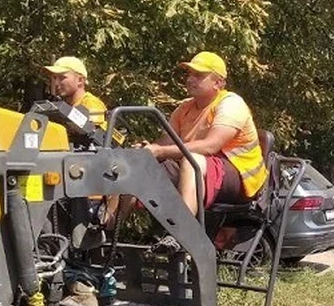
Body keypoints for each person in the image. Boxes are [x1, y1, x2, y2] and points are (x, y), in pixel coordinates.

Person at [108, 52, 267, 233]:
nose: (190, 79)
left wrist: (160, 152)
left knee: (194, 161)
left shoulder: (231, 104)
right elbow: (165, 143)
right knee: (136, 164)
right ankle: (106, 230)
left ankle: (184, 234)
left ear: (218, 82)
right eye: (189, 74)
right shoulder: (184, 108)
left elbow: (210, 146)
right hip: (198, 170)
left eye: (199, 75)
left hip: (240, 179)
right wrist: (148, 151)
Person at [43, 56, 107, 128]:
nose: (56, 83)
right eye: (54, 78)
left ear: (80, 80)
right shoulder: (63, 106)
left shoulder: (91, 104)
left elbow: (96, 134)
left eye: (62, 78)